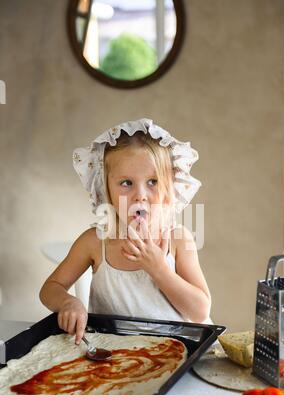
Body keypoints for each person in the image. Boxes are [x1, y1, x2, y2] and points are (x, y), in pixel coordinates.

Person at [39, 118, 212, 345]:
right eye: (127, 183)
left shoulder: (177, 240)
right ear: (105, 189)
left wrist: (160, 269)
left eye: (152, 182)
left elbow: (199, 311)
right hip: (117, 357)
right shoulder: (94, 242)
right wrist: (68, 302)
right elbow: (50, 289)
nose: (140, 195)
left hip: (176, 351)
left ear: (169, 188)